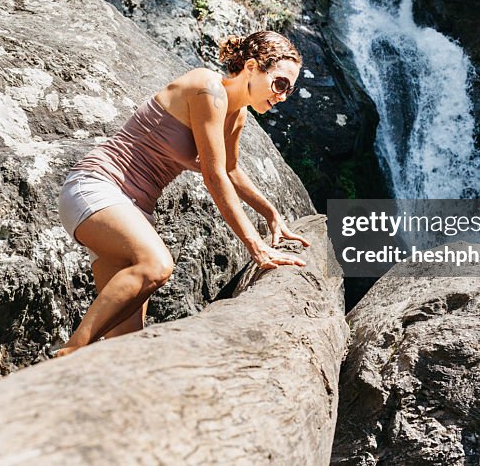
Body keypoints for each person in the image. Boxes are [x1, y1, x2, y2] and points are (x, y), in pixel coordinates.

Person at [56, 30, 309, 356]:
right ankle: (68, 354)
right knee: (157, 265)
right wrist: (256, 248)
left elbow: (231, 171)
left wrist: (271, 214)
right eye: (280, 84)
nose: (283, 96)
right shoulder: (208, 88)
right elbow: (214, 176)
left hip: (133, 211)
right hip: (97, 187)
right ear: (251, 67)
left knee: (126, 348)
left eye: (290, 89)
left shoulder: (237, 115)